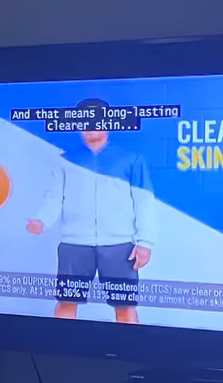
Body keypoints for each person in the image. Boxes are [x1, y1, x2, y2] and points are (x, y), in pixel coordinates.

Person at [26, 99, 156, 323]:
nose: (88, 125)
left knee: (124, 306)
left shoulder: (132, 160)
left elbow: (144, 202)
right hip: (74, 244)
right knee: (67, 302)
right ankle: (60, 350)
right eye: (82, 120)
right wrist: (41, 220)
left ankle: (131, 351)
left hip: (119, 246)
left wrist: (145, 243)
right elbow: (54, 197)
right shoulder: (65, 161)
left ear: (108, 123)